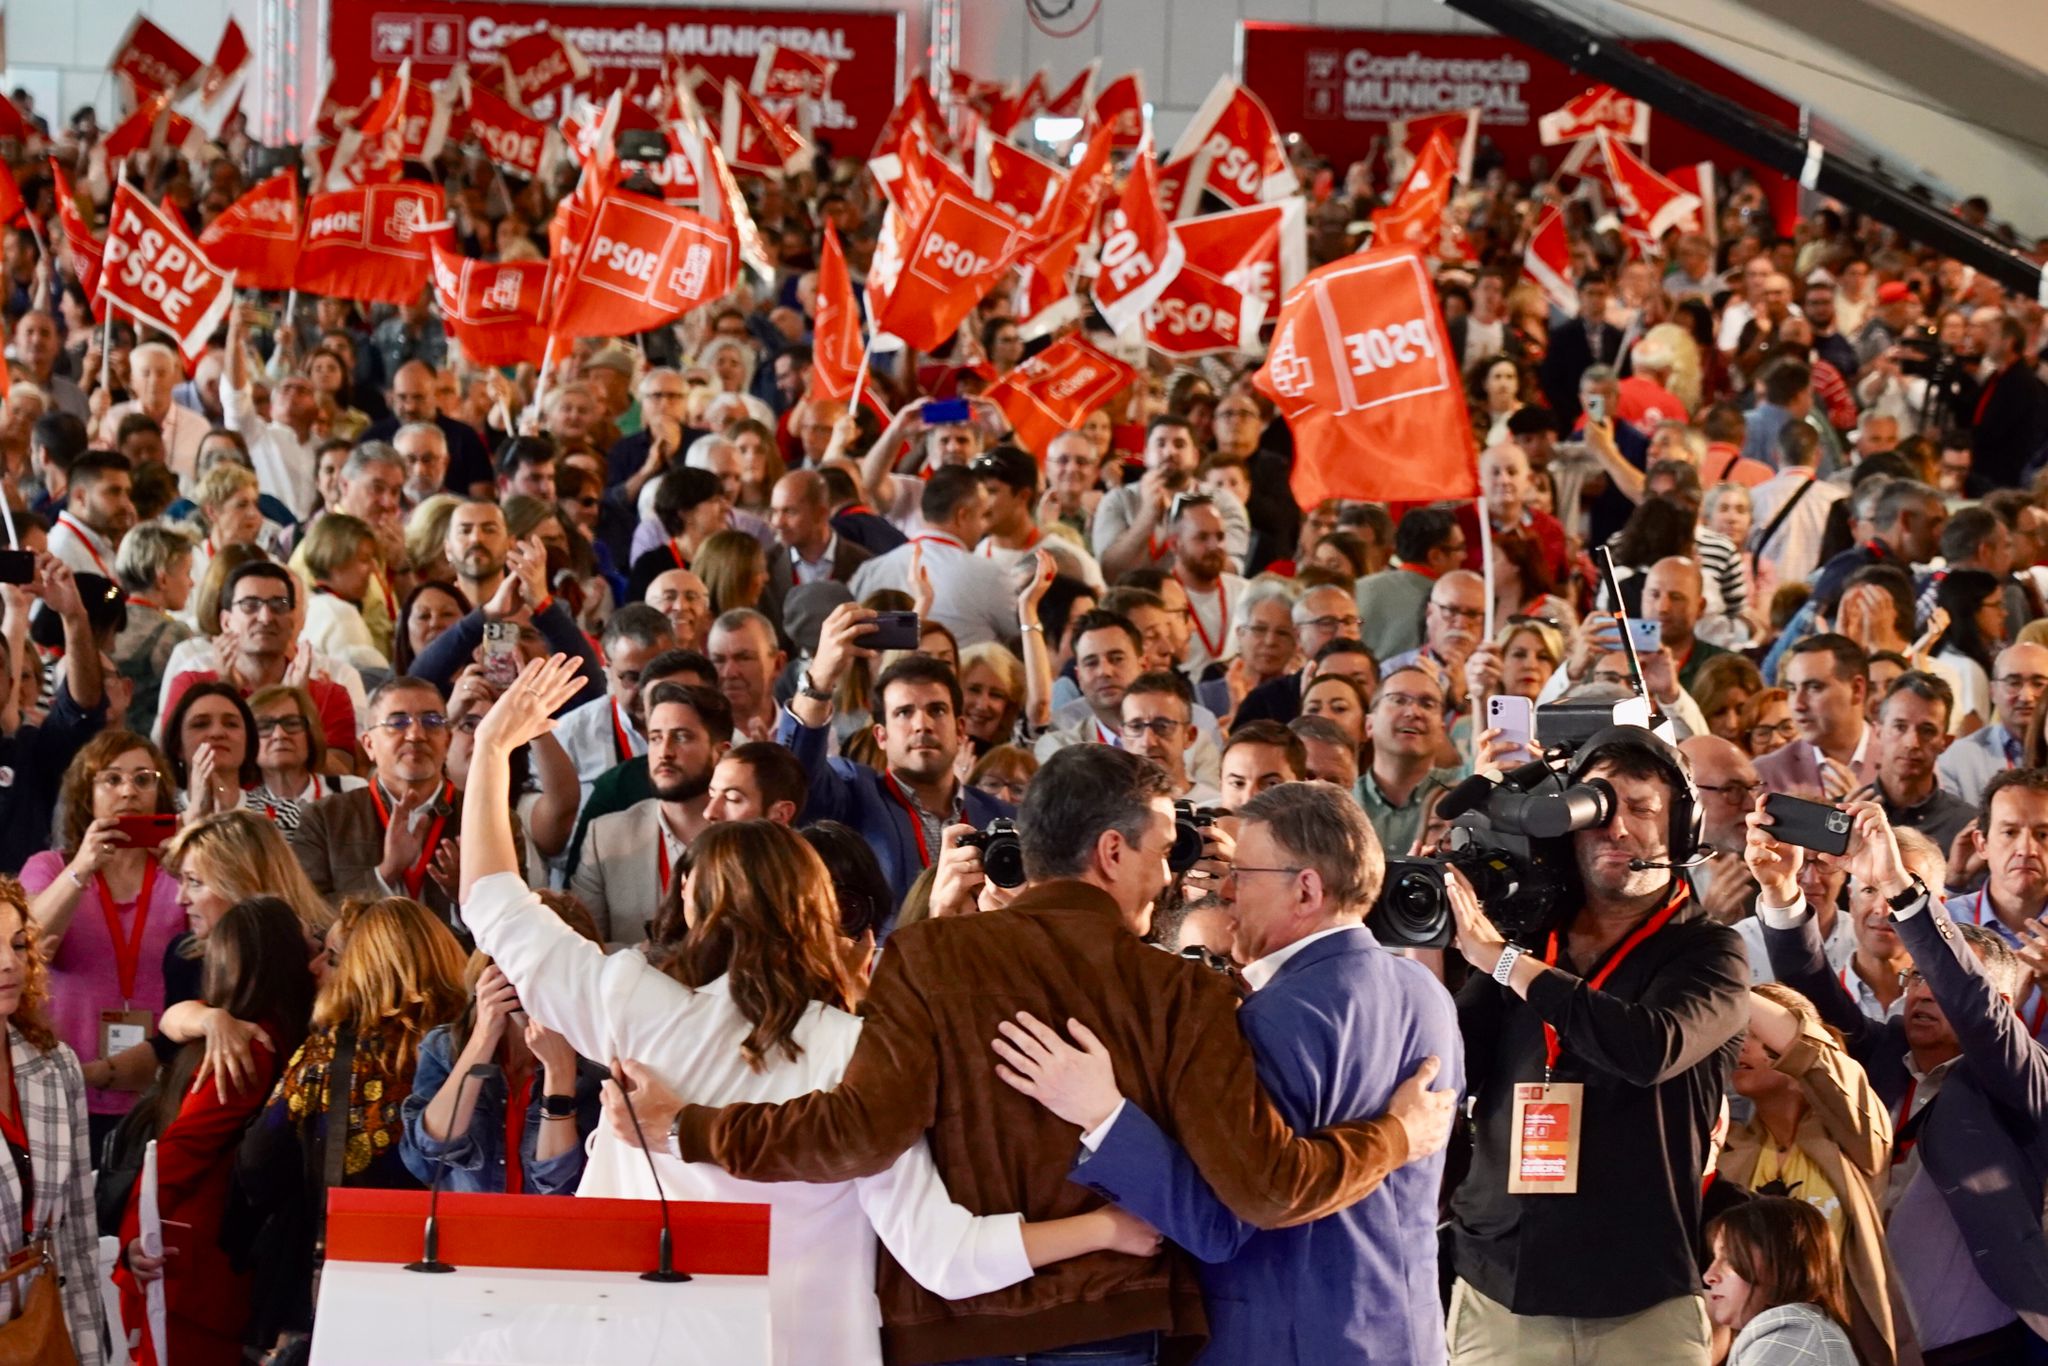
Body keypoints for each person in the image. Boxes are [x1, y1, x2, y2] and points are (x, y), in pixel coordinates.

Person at [640, 725, 1452, 1365]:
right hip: (1115, 1327)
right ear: (1110, 852)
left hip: (949, 1333)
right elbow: (1256, 1193)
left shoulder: (923, 954)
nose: (1175, 878)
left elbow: (858, 1133)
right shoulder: (1182, 991)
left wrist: (695, 1128)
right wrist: (1396, 1136)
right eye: (1164, 852)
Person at [459, 659, 1180, 1366]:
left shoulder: (631, 1006)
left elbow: (490, 900)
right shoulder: (855, 1051)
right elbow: (946, 1257)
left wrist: (494, 748)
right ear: (817, 913)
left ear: (695, 908)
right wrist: (1103, 1228)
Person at [1001, 782, 1463, 1364]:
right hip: (1407, 1337)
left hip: (1283, 1343)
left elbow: (1220, 1220)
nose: (1226, 890)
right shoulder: (1427, 992)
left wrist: (1104, 1116)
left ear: (1306, 889)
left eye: (1244, 874)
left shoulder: (1273, 1018)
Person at [1443, 726, 1747, 1363]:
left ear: (1680, 832)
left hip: (1641, 1297)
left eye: (1641, 809)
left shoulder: (1711, 952)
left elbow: (1650, 1048)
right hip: (1502, 1286)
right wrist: (1448, 914)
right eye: (1597, 807)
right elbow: (1446, 1055)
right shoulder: (1523, 937)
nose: (1617, 828)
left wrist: (1505, 964)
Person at [1751, 794, 2048, 1362]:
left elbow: (1972, 1004)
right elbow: (1809, 995)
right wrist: (1780, 893)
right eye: (1913, 979)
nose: (1922, 992)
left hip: (1980, 1347)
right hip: (1868, 1336)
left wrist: (1896, 884)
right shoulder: (1881, 1056)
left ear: (2005, 1007)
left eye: (1936, 982)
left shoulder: (2018, 1081)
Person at [234, 895, 469, 1348]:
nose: (316, 967)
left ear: (366, 971)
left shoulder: (328, 1058)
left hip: (343, 1286)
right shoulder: (474, 1051)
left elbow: (256, 1167)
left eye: (336, 957)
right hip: (453, 1284)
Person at [112, 896, 316, 1366]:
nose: (317, 957)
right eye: (308, 947)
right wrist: (132, 1244)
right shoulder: (249, 1050)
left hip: (203, 1277)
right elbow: (178, 1152)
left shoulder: (257, 1036)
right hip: (190, 1277)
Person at [782, 606, 1013, 920]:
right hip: (879, 965)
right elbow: (794, 780)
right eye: (904, 712)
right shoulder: (852, 797)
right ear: (880, 735)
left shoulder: (1003, 817)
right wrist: (819, 679)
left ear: (960, 729)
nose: (922, 724)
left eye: (937, 710)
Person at [1718, 985, 1905, 1365]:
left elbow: (1812, 1053)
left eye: (1756, 1034)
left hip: (1844, 1344)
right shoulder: (1728, 1150)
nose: (1741, 1045)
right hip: (1749, 1349)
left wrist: (1726, 976)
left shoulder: (1854, 1139)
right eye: (1735, 1032)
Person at [21, 732, 189, 1149]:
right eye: (111, 779)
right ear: (86, 793)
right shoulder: (51, 868)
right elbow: (27, 950)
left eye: (143, 779)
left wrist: (194, 858)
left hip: (160, 1086)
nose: (128, 790)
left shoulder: (180, 872)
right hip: (63, 1084)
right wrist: (82, 868)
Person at [399, 896, 604, 1195]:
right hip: (467, 1231)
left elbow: (560, 1188)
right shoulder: (446, 1047)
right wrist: (483, 1037)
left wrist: (560, 1073)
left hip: (551, 1236)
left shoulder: (596, 1065)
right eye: (520, 965)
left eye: (549, 972)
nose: (531, 985)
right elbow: (427, 1158)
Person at [290, 676, 514, 932]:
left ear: (447, 741)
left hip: (457, 969)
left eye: (431, 722)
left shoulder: (492, 820)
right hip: (358, 968)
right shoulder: (325, 818)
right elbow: (309, 916)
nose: (416, 735)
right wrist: (385, 873)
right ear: (369, 745)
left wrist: (465, 897)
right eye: (398, 723)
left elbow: (513, 925)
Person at [0, 876, 107, 1364]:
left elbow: (78, 1236)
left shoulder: (55, 1063)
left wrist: (90, 1353)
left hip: (45, 1326)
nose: (8, 963)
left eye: (19, 944)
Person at [571, 681, 732, 947]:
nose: (664, 752)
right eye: (656, 738)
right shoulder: (606, 837)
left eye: (681, 737)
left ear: (720, 752)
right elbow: (584, 949)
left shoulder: (747, 836)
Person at [157, 561, 359, 763]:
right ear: (226, 622)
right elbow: (174, 765)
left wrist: (299, 704)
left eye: (278, 605)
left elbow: (341, 775)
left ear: (292, 621)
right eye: (250, 606)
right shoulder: (191, 687)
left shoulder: (330, 695)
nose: (265, 617)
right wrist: (226, 692)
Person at [849, 467, 1016, 648]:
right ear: (962, 516)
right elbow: (1022, 633)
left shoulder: (870, 571)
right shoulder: (989, 574)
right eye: (983, 515)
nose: (986, 525)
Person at [1702, 1198, 1859, 1366]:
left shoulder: (1793, 1332)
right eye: (1715, 1258)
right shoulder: (1804, 1331)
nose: (1709, 1276)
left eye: (1730, 1258)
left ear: (1781, 1262)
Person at [551, 605, 676, 798]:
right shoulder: (569, 736)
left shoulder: (709, 732)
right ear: (607, 666)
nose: (646, 691)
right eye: (632, 677)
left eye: (657, 675)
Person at [1854, 672, 1975, 850]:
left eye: (1927, 731)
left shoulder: (1965, 828)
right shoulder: (1848, 816)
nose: (1912, 743)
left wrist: (1954, 877)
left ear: (1945, 742)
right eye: (1900, 727)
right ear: (1878, 732)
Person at [1357, 664, 1462, 858]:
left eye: (1427, 703)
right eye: (1398, 700)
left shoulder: (1464, 792)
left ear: (1442, 729)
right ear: (1369, 724)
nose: (1413, 712)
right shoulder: (1344, 804)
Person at [1758, 636, 1876, 799]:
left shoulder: (1905, 760)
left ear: (1856, 689)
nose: (1798, 704)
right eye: (1792, 688)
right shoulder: (1764, 775)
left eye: (1814, 687)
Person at [1941, 641, 2048, 807]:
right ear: (1992, 691)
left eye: (2039, 684)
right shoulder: (1957, 760)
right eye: (2013, 683)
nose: (2026, 696)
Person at [245, 685, 366, 830]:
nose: (279, 735)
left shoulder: (353, 792)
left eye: (292, 723)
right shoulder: (244, 809)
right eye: (264, 726)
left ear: (310, 734)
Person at [1355, 506, 1465, 665]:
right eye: (1459, 548)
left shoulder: (1360, 587)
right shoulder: (1444, 606)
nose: (1464, 556)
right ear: (1435, 556)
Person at [49, 450, 137, 580]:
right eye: (114, 492)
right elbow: (107, 598)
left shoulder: (102, 542)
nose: (126, 504)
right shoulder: (61, 552)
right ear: (80, 497)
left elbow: (111, 595)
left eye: (127, 493)